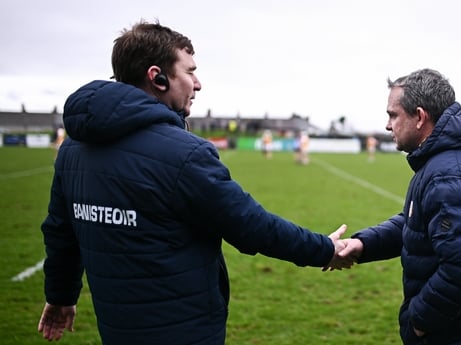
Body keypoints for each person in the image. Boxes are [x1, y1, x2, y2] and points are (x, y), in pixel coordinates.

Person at [38, 20, 347, 345]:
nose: (198, 84)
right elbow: (250, 225)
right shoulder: (183, 153)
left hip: (117, 330)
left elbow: (60, 232)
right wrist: (324, 249)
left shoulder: (72, 149)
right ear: (157, 76)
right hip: (183, 329)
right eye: (190, 71)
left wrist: (60, 297)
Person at [326, 68, 461, 345]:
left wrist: (419, 323)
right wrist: (365, 245)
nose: (388, 125)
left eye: (393, 115)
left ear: (420, 117)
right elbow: (422, 222)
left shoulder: (448, 173)